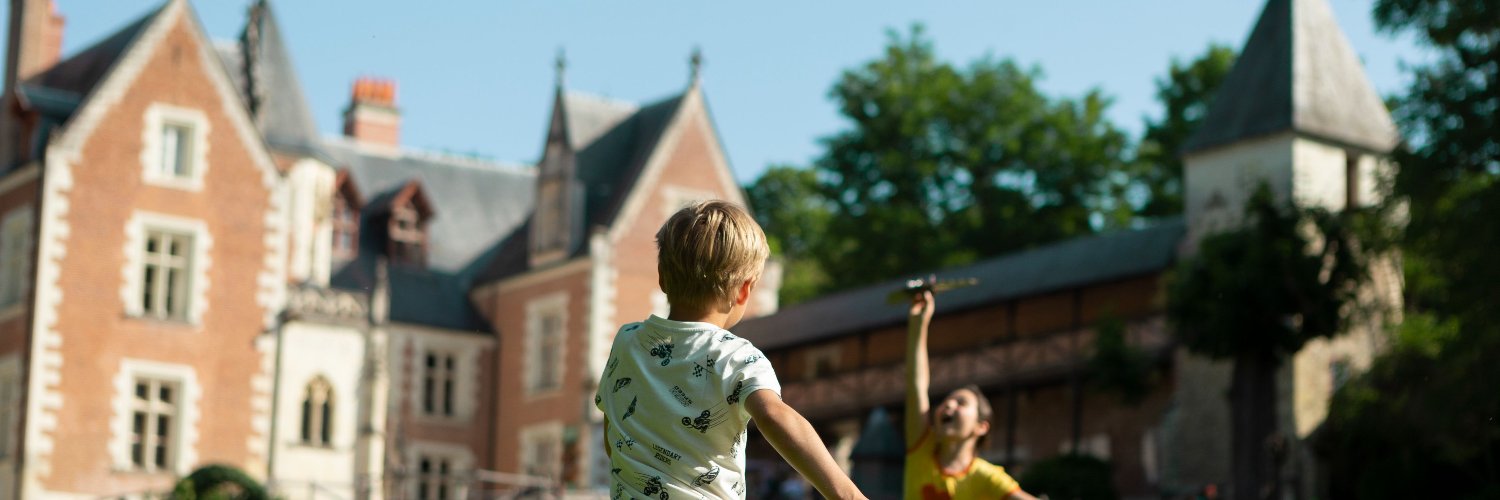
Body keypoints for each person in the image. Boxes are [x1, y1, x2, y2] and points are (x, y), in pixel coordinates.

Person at [597, 200, 866, 500]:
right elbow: (775, 415)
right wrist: (848, 496)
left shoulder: (627, 341)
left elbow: (614, 436)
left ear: (661, 275)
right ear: (744, 291)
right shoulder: (738, 357)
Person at [905, 290, 1038, 500]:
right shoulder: (921, 449)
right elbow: (916, 385)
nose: (949, 405)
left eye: (961, 403)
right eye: (947, 401)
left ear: (981, 426)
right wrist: (917, 325)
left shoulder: (987, 477)